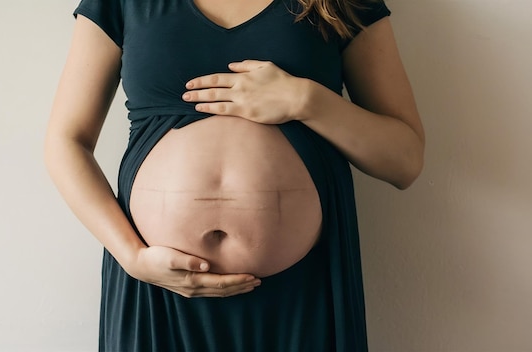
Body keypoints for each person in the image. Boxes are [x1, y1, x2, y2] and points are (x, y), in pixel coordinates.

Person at [44, 0, 424, 350]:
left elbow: (404, 161)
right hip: (159, 286)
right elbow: (66, 141)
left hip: (300, 294)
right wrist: (132, 257)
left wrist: (306, 101)